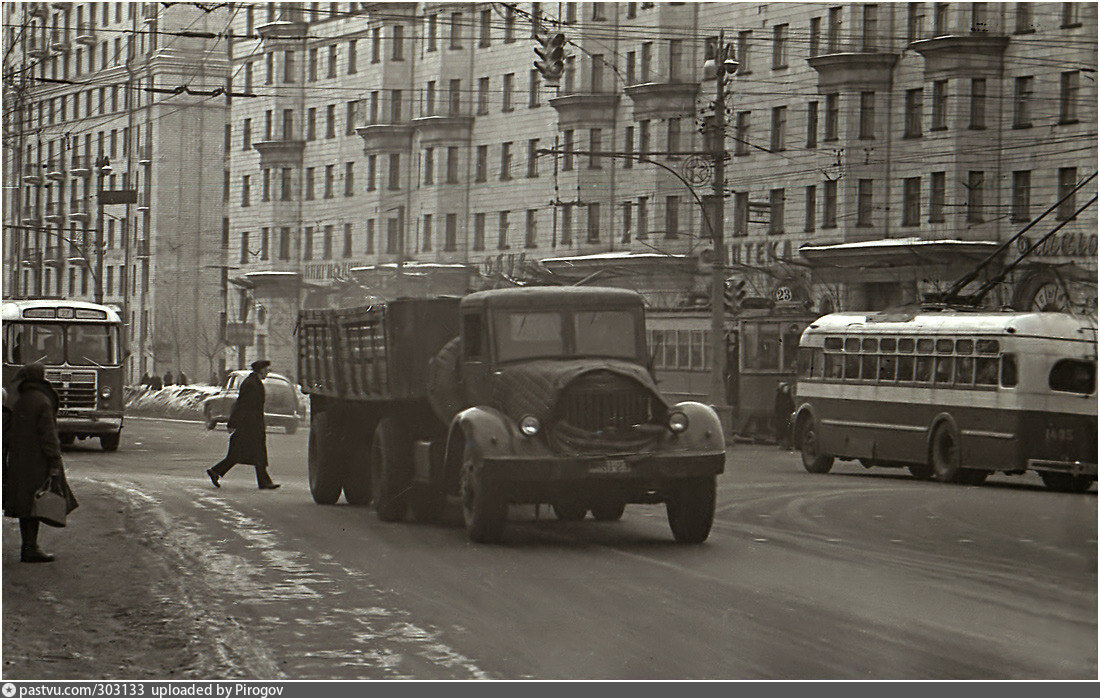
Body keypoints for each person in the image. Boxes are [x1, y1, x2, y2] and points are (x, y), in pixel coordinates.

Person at [3, 364, 79, 563]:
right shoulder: (43, 401)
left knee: (25, 504)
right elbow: (49, 436)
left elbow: (6, 432)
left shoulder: (17, 399)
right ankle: (30, 548)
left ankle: (27, 546)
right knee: (36, 504)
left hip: (18, 460)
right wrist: (54, 461)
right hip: (38, 461)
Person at [206, 360, 280, 490]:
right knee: (241, 454)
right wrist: (233, 423)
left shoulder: (254, 382)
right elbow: (241, 405)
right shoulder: (251, 384)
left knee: (255, 454)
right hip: (248, 426)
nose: (268, 372)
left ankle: (264, 481)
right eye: (266, 369)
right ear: (260, 370)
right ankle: (215, 471)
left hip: (252, 424)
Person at [773, 381, 795, 451]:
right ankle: (783, 444)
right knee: (783, 429)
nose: (786, 389)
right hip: (781, 416)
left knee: (787, 429)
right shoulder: (780, 397)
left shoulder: (785, 397)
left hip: (786, 415)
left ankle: (786, 444)